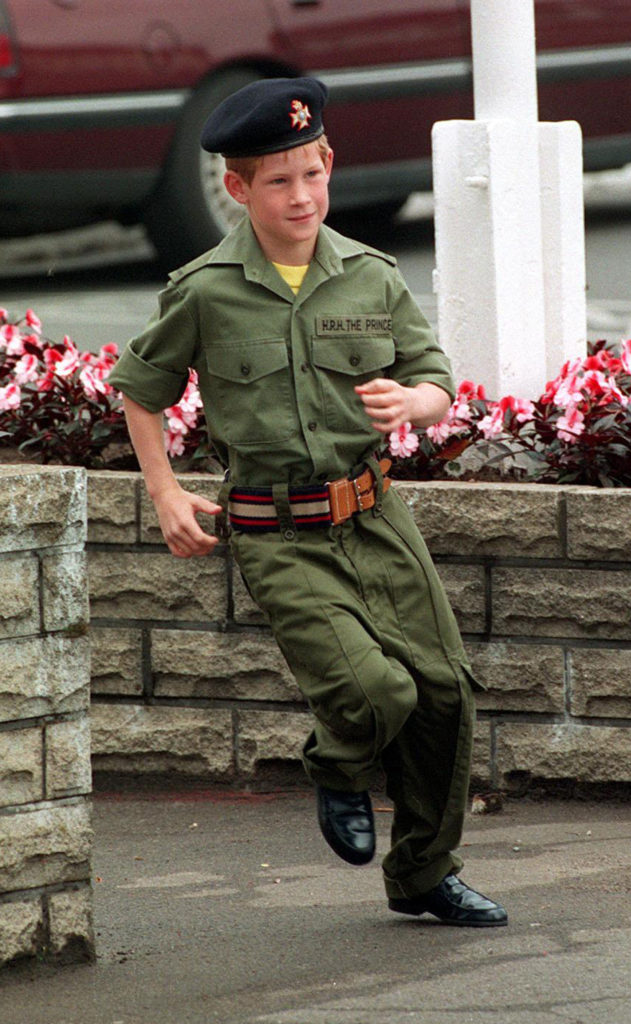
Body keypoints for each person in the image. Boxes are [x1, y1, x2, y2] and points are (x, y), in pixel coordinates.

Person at [109, 77, 507, 928]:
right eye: (277, 180)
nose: (300, 195)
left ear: (329, 163)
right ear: (238, 188)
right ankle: (336, 763)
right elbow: (140, 391)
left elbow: (434, 376)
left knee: (440, 694)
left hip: (375, 517)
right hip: (276, 531)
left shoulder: (369, 275)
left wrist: (416, 404)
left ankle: (425, 874)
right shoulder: (206, 288)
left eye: (310, 173)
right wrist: (166, 493)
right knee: (377, 694)